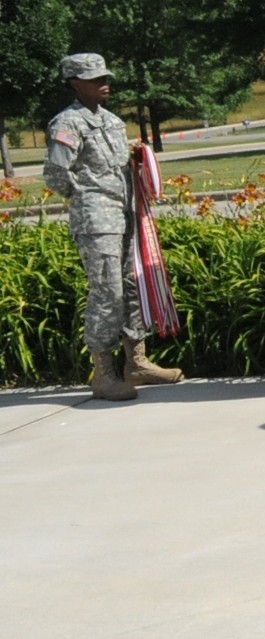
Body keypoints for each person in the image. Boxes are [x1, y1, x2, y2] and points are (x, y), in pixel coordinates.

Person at [43, 53, 184, 401]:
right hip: (97, 220)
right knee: (107, 291)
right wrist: (89, 196)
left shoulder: (112, 121)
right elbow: (56, 174)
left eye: (105, 76)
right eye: (94, 79)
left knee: (133, 283)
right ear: (74, 83)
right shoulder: (67, 123)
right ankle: (103, 372)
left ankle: (136, 362)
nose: (104, 83)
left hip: (126, 214)